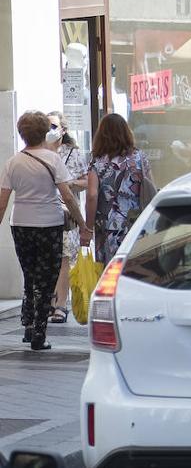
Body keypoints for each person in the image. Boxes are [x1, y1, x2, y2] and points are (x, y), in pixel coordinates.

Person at [0, 111, 87, 349]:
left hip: (20, 224)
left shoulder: (13, 162)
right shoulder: (53, 160)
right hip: (48, 224)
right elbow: (67, 196)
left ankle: (28, 325)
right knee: (46, 278)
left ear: (22, 134)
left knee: (29, 275)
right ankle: (39, 332)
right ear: (44, 133)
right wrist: (82, 223)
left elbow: (3, 200)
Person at [87, 114, 153, 264]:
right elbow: (150, 188)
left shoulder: (97, 162)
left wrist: (88, 227)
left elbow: (92, 195)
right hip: (136, 222)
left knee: (110, 272)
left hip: (107, 226)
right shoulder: (140, 158)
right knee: (135, 268)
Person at [46, 111, 89, 324]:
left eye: (53, 126)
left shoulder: (72, 153)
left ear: (63, 130)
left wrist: (69, 184)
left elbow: (87, 181)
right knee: (48, 261)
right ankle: (49, 302)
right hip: (43, 214)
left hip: (65, 215)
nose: (49, 131)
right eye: (46, 126)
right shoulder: (38, 152)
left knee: (63, 260)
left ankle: (60, 305)